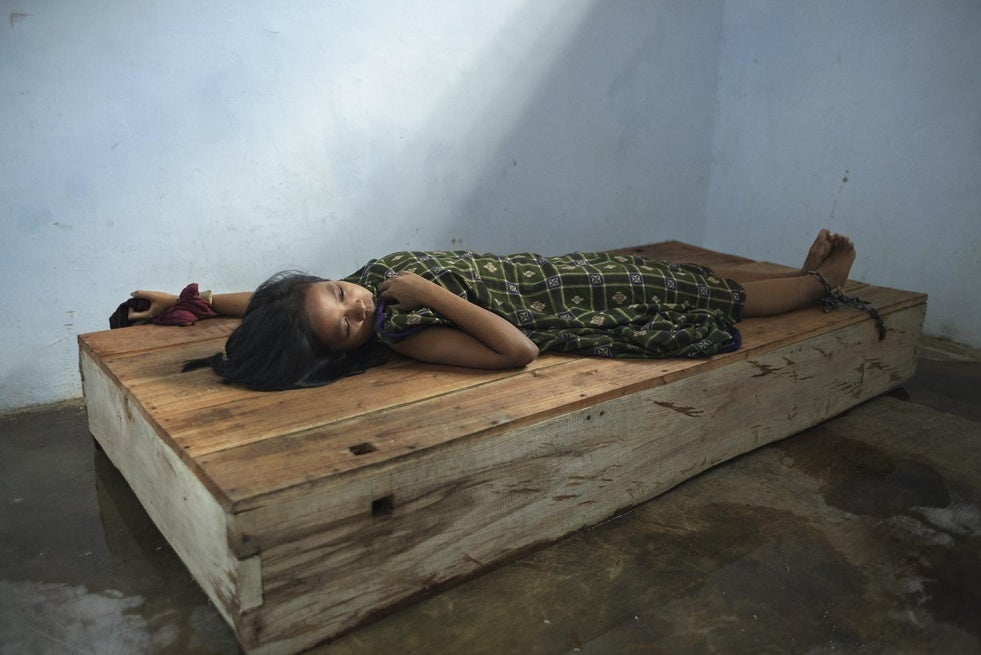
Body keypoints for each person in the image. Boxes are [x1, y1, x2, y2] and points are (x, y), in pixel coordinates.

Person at [128, 230, 859, 391]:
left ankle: (802, 276)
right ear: (344, 351)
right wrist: (426, 294)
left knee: (685, 272)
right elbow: (518, 352)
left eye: (340, 296)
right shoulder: (403, 328)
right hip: (578, 310)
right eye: (344, 327)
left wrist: (186, 301)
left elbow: (266, 301)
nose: (354, 308)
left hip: (562, 272)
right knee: (717, 295)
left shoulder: (352, 283)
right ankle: (819, 284)